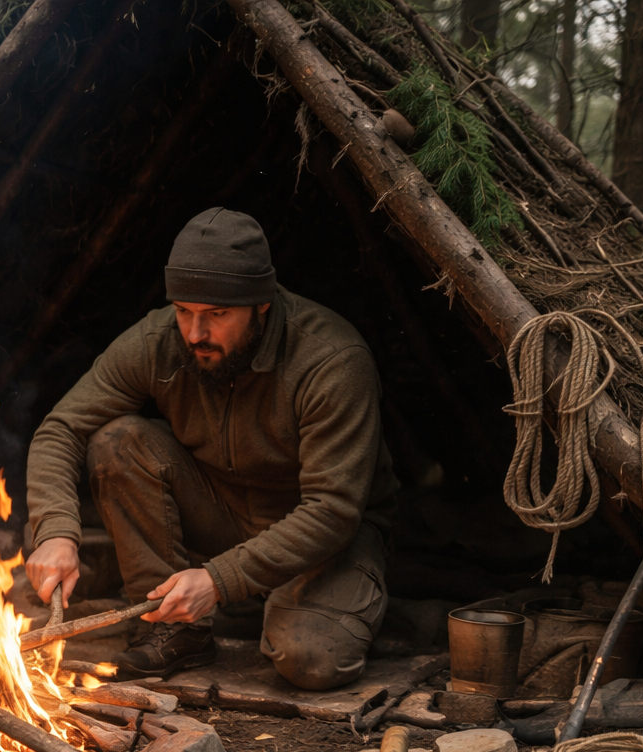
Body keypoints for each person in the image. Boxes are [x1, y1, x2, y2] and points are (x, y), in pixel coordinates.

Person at [24, 207, 399, 690]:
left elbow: (332, 511)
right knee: (117, 441)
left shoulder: (331, 361)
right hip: (221, 512)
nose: (195, 334)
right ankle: (177, 632)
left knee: (311, 659)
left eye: (216, 316)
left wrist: (219, 580)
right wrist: (55, 531)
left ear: (261, 304)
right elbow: (62, 429)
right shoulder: (159, 341)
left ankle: (332, 601)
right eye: (184, 312)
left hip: (323, 541)